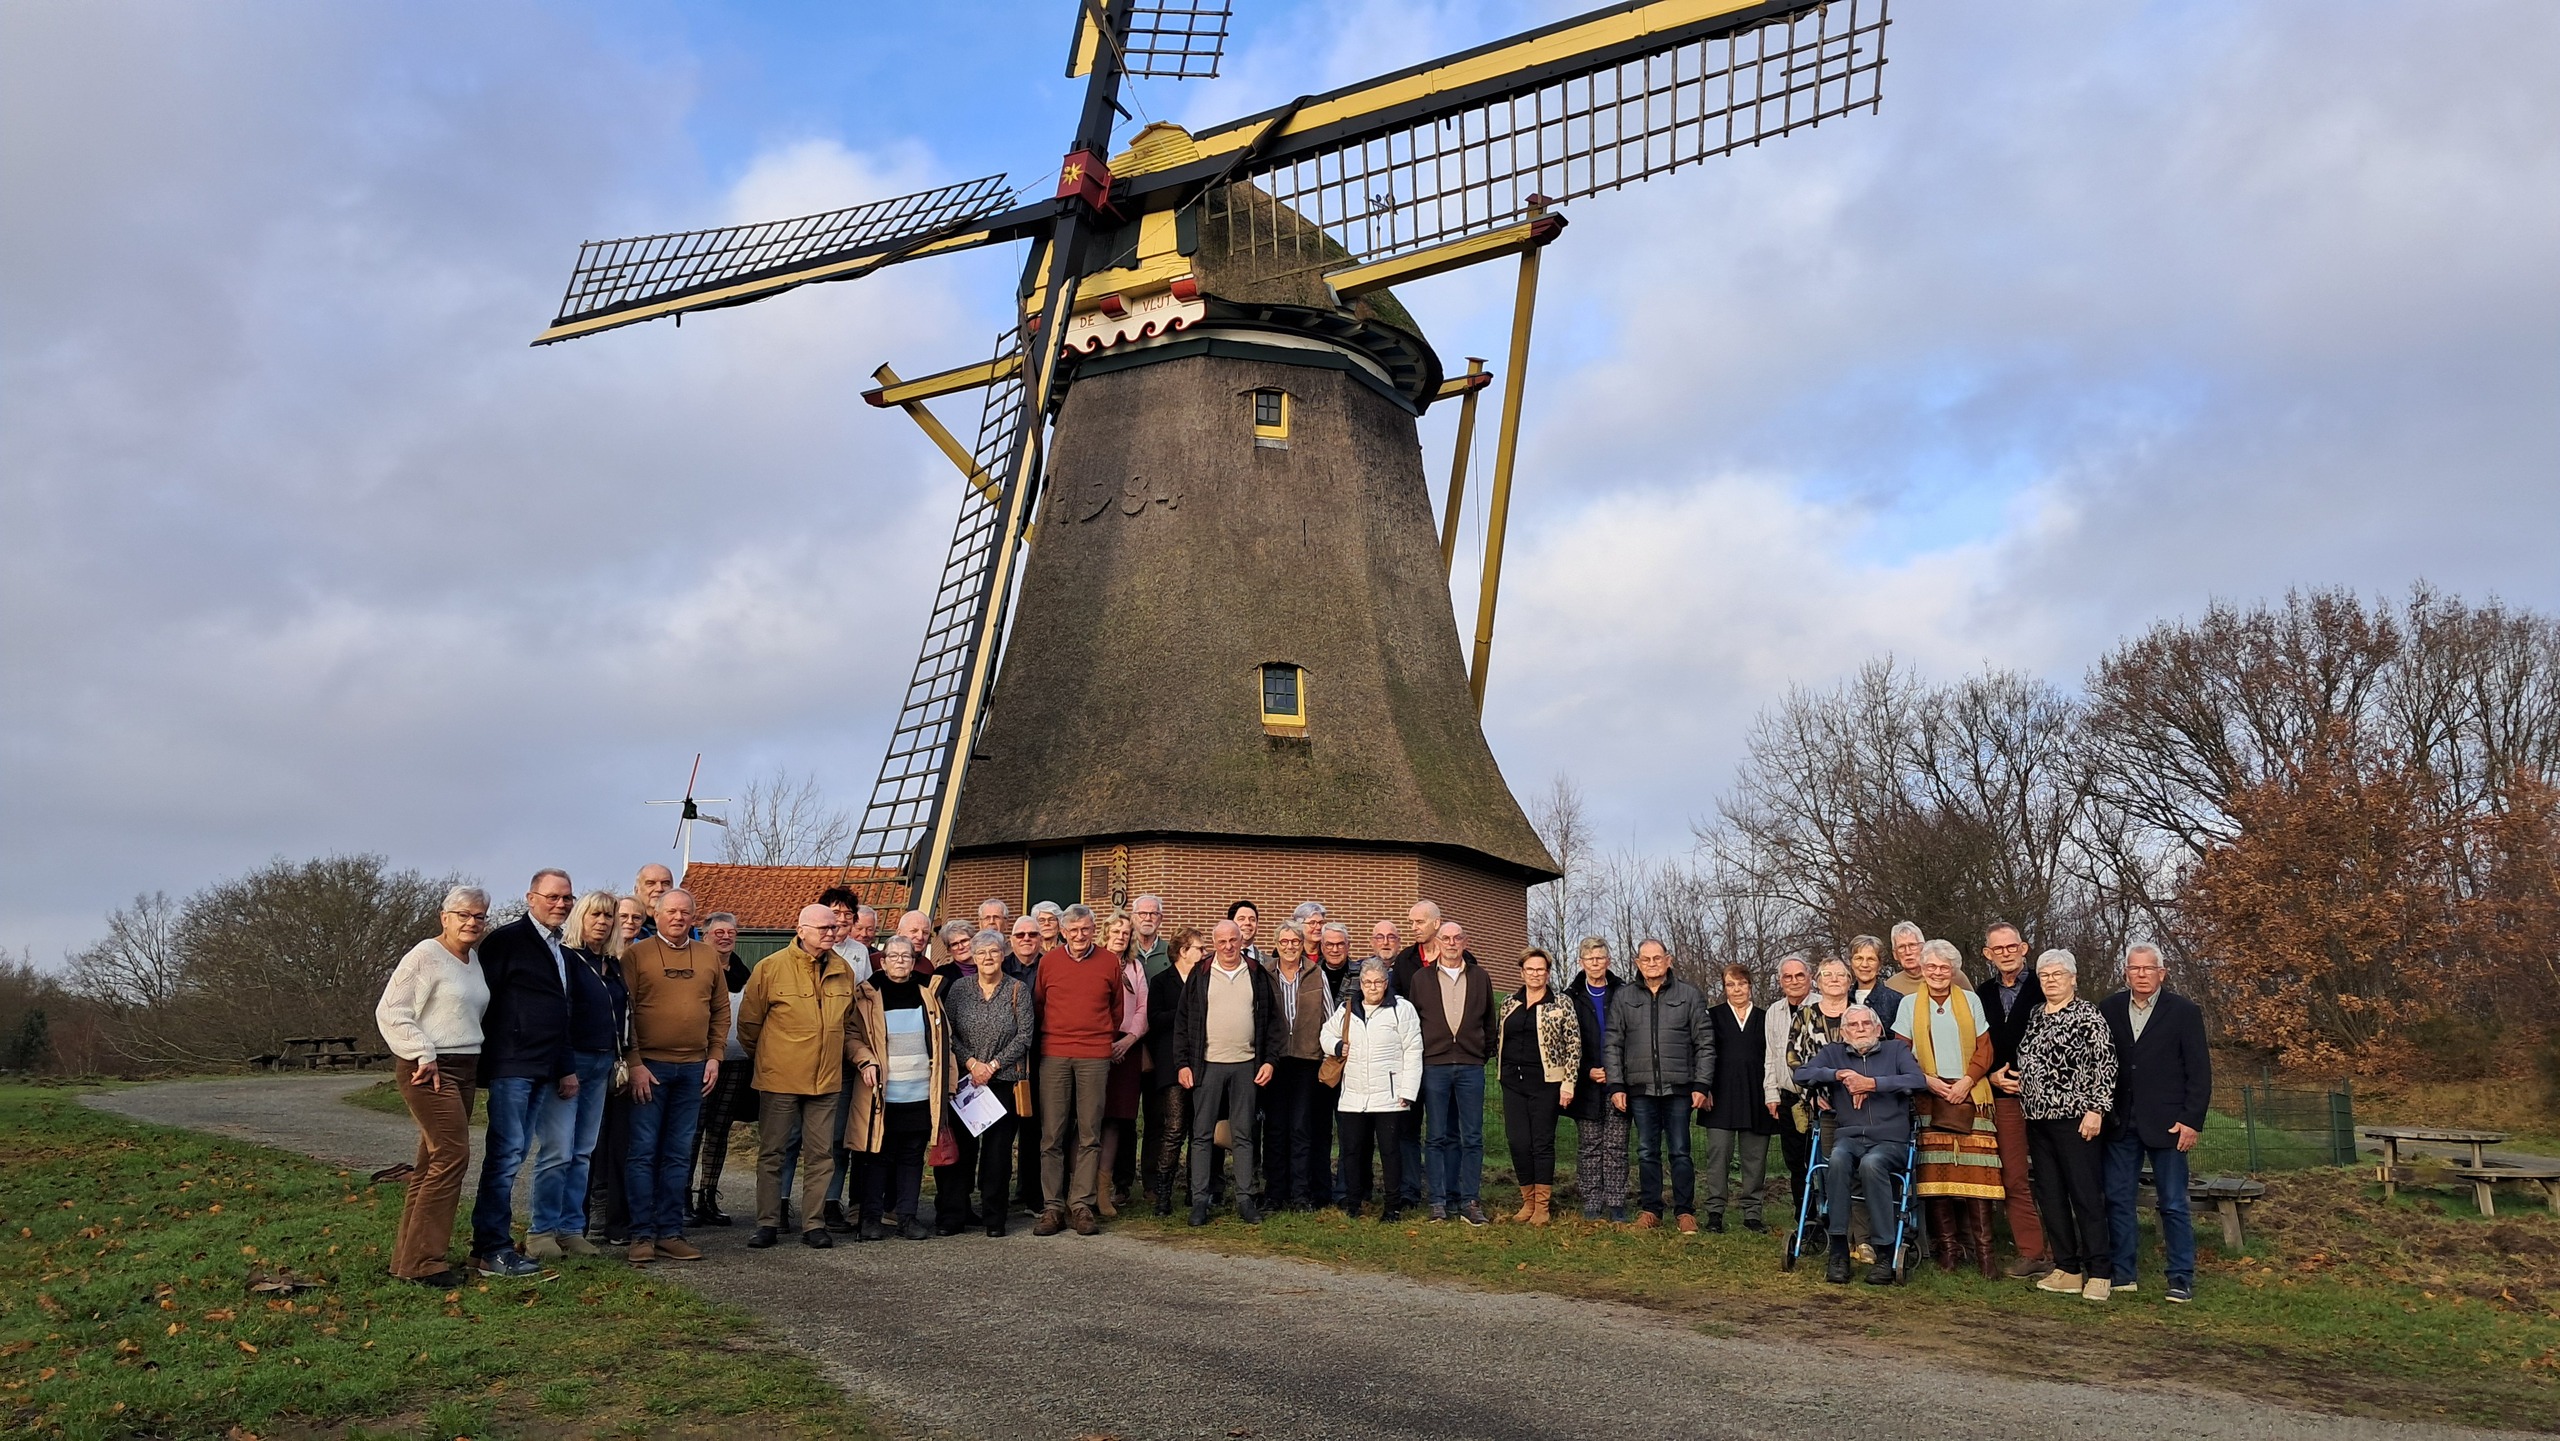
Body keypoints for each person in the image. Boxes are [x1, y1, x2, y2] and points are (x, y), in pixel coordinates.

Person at [375, 886, 493, 1287]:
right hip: (430, 1068)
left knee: (431, 1163)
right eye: (463, 915)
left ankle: (407, 1261)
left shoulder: (473, 961)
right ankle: (426, 1263)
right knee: (451, 1156)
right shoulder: (425, 955)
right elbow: (391, 1010)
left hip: (465, 1065)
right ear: (445, 917)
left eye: (479, 916)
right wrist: (422, 1051)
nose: (472, 922)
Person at [467, 869, 580, 1279]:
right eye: (552, 896)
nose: (561, 904)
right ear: (531, 898)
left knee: (517, 1154)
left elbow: (559, 1012)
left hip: (545, 1068)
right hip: (512, 1067)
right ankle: (491, 1248)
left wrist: (565, 1067)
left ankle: (492, 1245)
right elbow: (481, 1001)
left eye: (567, 897)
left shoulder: (558, 948)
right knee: (505, 1156)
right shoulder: (506, 942)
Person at [736, 905, 857, 1249]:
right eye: (824, 928)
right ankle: (768, 1223)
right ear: (801, 930)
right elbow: (749, 1025)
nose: (831, 933)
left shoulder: (843, 970)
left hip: (826, 1080)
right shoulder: (770, 968)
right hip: (779, 1079)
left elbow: (848, 1022)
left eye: (834, 927)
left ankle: (814, 1225)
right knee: (772, 1152)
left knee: (821, 1155)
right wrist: (769, 1060)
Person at [2098, 942, 2211, 1304]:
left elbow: (2199, 1071)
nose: (2141, 975)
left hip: (2168, 1124)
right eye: (2135, 969)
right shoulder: (2109, 1008)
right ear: (2126, 973)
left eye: (2148, 969)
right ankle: (2123, 1272)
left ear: (2162, 972)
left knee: (2173, 1203)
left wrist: (2191, 1120)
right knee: (2117, 1199)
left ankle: (2180, 1277)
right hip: (2120, 1122)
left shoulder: (2183, 1012)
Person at [619, 888, 726, 1264]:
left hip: (695, 1069)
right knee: (644, 1153)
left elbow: (720, 1011)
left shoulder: (708, 955)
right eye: (671, 912)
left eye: (685, 912)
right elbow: (625, 1012)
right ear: (657, 915)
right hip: (650, 1068)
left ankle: (671, 1231)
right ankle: (641, 1234)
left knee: (679, 1154)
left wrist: (715, 1056)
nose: (678, 918)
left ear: (694, 917)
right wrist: (634, 1063)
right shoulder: (636, 956)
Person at [1893, 939, 2006, 1278]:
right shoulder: (1909, 1005)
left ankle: (1986, 1257)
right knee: (1937, 1181)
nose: (1938, 973)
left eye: (1945, 967)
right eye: (1932, 967)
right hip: (1930, 1096)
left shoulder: (1970, 1000)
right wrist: (1927, 1080)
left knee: (1978, 1178)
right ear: (1923, 970)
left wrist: (1967, 1082)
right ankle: (1948, 1253)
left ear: (1954, 970)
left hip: (1970, 1094)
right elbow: (1901, 1054)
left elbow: (1985, 1048)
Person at [1793, 1005, 1925, 1285]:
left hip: (1890, 1139)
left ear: (1878, 1029)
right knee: (1837, 1160)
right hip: (1849, 1137)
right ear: (1843, 1033)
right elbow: (1802, 1074)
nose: (1861, 1029)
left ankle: (1885, 1252)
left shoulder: (1896, 1051)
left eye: (1867, 1024)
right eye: (1853, 1025)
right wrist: (1839, 1075)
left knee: (1872, 1164)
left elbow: (1916, 1080)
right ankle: (1839, 1250)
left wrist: (1871, 1084)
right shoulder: (1834, 1053)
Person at [2016, 949, 2118, 1300]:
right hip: (2037, 1118)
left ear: (2073, 978)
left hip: (2076, 1119)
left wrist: (2097, 1109)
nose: (2051, 980)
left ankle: (2100, 1271)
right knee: (2051, 1195)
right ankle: (2067, 1268)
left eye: (2058, 974)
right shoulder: (2035, 1015)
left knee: (2085, 1195)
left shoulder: (2088, 1015)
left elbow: (2106, 1064)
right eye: (2044, 975)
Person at [840, 936, 950, 1240]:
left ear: (914, 963)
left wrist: (947, 1086)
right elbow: (851, 1036)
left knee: (912, 1158)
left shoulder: (928, 994)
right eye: (894, 955)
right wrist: (865, 1061)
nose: (901, 960)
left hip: (919, 1093)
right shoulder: (867, 996)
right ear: (883, 961)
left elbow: (943, 1042)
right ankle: (871, 1218)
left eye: (907, 956)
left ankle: (907, 1217)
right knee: (877, 1156)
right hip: (882, 1095)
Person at [1174, 920, 1283, 1225]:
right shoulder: (1202, 973)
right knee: (1202, 1134)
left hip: (1246, 1065)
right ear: (1214, 943)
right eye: (1221, 941)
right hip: (1207, 1065)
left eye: (1233, 940)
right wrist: (1183, 1063)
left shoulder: (1256, 973)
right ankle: (1199, 1201)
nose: (1228, 946)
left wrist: (1269, 1061)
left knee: (1244, 1135)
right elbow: (1183, 1023)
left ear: (1241, 941)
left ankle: (1246, 1200)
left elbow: (1273, 1023)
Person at [537, 890, 624, 1261]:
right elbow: (560, 1015)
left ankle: (572, 1228)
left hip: (604, 1062)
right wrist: (565, 1066)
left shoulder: (614, 965)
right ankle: (542, 1229)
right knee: (557, 1149)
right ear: (581, 919)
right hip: (572, 1062)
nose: (602, 922)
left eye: (608, 916)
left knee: (583, 1151)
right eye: (595, 915)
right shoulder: (567, 960)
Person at [1032, 903, 1128, 1236]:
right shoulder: (1049, 962)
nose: (1079, 936)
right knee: (1052, 1134)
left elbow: (1117, 1009)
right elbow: (1040, 1005)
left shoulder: (1108, 962)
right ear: (1062, 931)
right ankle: (1052, 1207)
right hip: (1055, 1053)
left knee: (1090, 1132)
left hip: (1094, 1055)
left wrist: (1099, 1038)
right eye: (1072, 930)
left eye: (1085, 929)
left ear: (1093, 928)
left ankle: (1082, 1205)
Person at [1607, 939, 1714, 1233]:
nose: (1652, 964)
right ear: (1636, 962)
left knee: (1680, 1151)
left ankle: (1685, 1211)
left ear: (1669, 960)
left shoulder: (1689, 996)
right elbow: (1613, 1043)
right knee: (1645, 1151)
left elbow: (1705, 1044)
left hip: (1679, 1087)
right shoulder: (1623, 997)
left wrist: (1702, 1084)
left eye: (1658, 958)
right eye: (1646, 959)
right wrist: (1616, 1084)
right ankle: (1650, 1210)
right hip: (1640, 1088)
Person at [940, 928, 1033, 1236]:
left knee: (997, 1154)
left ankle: (995, 1218)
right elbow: (948, 1033)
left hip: (1004, 1081)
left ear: (1002, 954)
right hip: (966, 1083)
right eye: (981, 953)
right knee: (962, 1152)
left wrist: (992, 1066)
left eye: (994, 952)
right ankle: (953, 1215)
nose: (988, 958)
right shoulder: (959, 990)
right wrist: (971, 1064)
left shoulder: (1017, 989)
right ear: (973, 957)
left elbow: (1025, 1036)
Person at [1976, 921, 2051, 1277]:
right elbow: (1977, 1041)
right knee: (2015, 1177)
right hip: (2003, 1097)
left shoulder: (2045, 985)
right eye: (1998, 949)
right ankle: (2032, 1252)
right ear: (1988, 954)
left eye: (2012, 947)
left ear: (2024, 948)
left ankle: (2072, 1250)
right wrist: (1990, 1074)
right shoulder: (1981, 993)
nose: (2006, 954)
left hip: (2050, 1099)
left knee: (2058, 1175)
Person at [1323, 957, 1423, 1221]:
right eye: (1367, 982)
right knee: (1353, 1149)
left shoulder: (1402, 1009)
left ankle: (1392, 1207)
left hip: (1389, 1095)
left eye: (1378, 982)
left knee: (1390, 1152)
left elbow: (1413, 1050)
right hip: (1354, 1094)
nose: (1373, 987)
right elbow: (1325, 1033)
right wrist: (1335, 1046)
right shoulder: (1348, 1009)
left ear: (1386, 981)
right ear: (1361, 984)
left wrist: (1407, 1091)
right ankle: (1354, 1202)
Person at [1411, 920, 1496, 1225]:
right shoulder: (1421, 979)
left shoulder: (1480, 976)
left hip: (1471, 1066)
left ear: (1465, 941)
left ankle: (1470, 1201)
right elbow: (1415, 1022)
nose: (1450, 943)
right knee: (1436, 1136)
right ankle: (1438, 1201)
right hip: (1435, 1065)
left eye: (1456, 938)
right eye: (1445, 938)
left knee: (1471, 1136)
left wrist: (1480, 1054)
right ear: (1437, 942)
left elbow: (1489, 1021)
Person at [1495, 947, 1580, 1225]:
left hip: (1547, 1083)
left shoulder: (1561, 1003)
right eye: (1530, 969)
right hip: (1512, 1082)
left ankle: (1542, 1206)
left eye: (1540, 969)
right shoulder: (1509, 1002)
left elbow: (1574, 1045)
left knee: (1541, 1143)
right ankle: (1527, 1201)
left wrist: (1568, 1083)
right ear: (1522, 972)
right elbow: (1500, 1038)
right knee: (1518, 1142)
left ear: (1547, 972)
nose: (1535, 974)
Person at [588, 894, 649, 1244]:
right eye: (621, 915)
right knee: (593, 1140)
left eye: (636, 917)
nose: (628, 922)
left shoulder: (635, 959)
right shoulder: (595, 959)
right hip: (593, 1060)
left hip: (625, 1062)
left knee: (621, 1141)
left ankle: (617, 1216)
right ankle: (593, 1211)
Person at [1699, 963, 1777, 1234]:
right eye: (1730, 985)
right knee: (1717, 1156)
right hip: (1719, 1096)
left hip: (1757, 1095)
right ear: (1724, 988)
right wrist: (1703, 1087)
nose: (1736, 990)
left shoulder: (1766, 1018)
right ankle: (1715, 1213)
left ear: (1750, 986)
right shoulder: (1712, 1016)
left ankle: (1752, 1213)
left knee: (1755, 1159)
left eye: (1741, 984)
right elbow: (1702, 1053)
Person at [1260, 922, 1332, 1210]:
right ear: (1276, 944)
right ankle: (1275, 1194)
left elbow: (1328, 1017)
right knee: (1275, 1128)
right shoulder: (1265, 974)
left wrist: (1326, 1055)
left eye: (1295, 942)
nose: (1290, 946)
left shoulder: (1317, 975)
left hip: (1306, 1060)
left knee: (1301, 1128)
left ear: (1303, 945)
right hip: (1274, 1061)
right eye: (1284, 941)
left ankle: (1301, 1194)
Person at [690, 911, 753, 1229]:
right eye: (719, 932)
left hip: (736, 1061)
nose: (725, 937)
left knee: (719, 1130)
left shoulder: (745, 973)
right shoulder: (696, 967)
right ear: (704, 935)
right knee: (694, 1130)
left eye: (731, 932)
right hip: (701, 1061)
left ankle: (708, 1196)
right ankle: (682, 1198)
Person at [1564, 938, 1629, 1221]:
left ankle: (1616, 1203)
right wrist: (1586, 1069)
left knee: (1616, 1146)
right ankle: (1592, 1201)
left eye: (1600, 958)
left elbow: (1633, 1036)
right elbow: (1565, 1042)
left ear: (1608, 961)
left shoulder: (1624, 993)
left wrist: (1616, 1073)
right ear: (1581, 963)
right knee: (1589, 1146)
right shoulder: (1571, 997)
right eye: (1589, 958)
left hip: (1618, 1081)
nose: (1595, 963)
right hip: (1585, 1081)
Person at [1143, 928, 1206, 1214]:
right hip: (1171, 1065)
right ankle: (1163, 1192)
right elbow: (1154, 1019)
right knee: (1175, 1127)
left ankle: (1197, 1191)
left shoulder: (1205, 980)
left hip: (1201, 1061)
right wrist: (1185, 1012)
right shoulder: (1161, 982)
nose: (1203, 954)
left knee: (1199, 1129)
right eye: (1199, 949)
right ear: (1183, 951)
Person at [1097, 910, 1151, 1216]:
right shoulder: (1094, 962)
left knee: (1116, 1119)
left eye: (1126, 932)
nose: (1121, 936)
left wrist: (1130, 1039)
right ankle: (1082, 1188)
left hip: (1128, 1047)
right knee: (1090, 1119)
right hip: (1096, 1045)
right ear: (1105, 933)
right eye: (1116, 931)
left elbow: (1143, 1005)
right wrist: (1104, 1042)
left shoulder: (1135, 966)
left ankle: (1105, 1190)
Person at [1762, 955, 1818, 1223]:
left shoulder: (1822, 1006)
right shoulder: (1774, 1011)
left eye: (1799, 976)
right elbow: (1771, 1055)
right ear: (1780, 981)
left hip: (1820, 1099)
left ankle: (1827, 1216)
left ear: (1810, 977)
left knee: (1820, 1162)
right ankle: (1804, 1217)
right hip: (1788, 1098)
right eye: (1788, 976)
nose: (1794, 981)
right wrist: (1771, 1093)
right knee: (1795, 1162)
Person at [1844, 935, 1900, 1033]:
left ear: (1879, 965)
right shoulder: (1843, 1000)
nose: (1865, 964)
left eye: (1871, 959)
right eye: (1859, 958)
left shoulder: (1895, 1001)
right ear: (1851, 963)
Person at [1127, 894, 1171, 976]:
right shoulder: (1124, 949)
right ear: (1133, 917)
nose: (1148, 918)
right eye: (1142, 913)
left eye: (1153, 914)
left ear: (1161, 918)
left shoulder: (1171, 951)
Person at [633, 865, 675, 930]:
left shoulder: (687, 930)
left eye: (665, 883)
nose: (659, 889)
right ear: (636, 890)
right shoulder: (625, 927)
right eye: (651, 883)